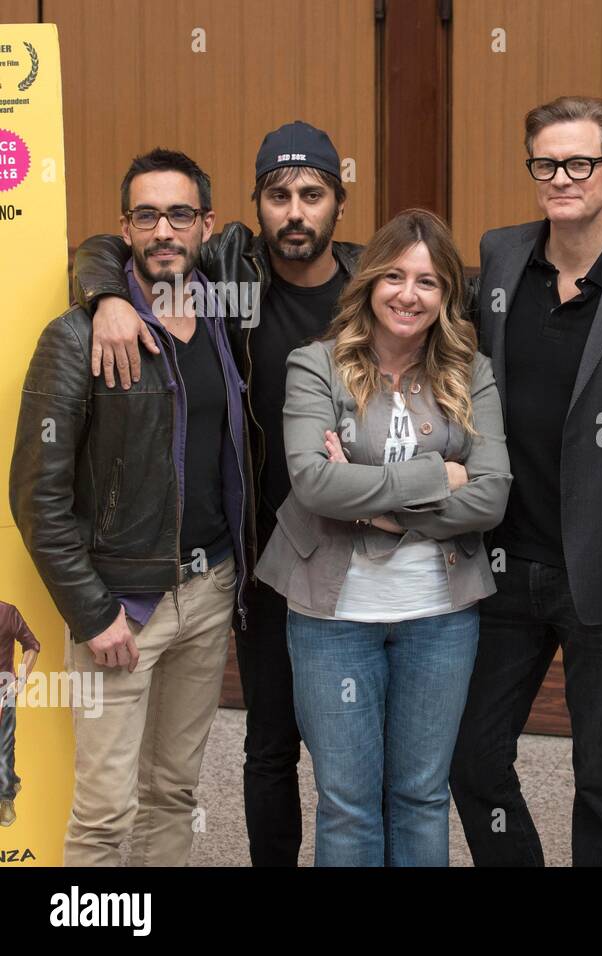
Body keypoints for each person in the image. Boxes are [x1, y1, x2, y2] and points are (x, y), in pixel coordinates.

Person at [72, 120, 361, 866]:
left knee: (355, 760)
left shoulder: (374, 287)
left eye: (311, 194)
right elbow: (123, 244)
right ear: (253, 208)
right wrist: (105, 293)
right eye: (277, 195)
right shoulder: (232, 277)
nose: (294, 212)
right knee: (267, 750)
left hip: (362, 557)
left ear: (339, 200)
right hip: (261, 561)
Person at [450, 95, 602, 867]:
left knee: (601, 774)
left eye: (580, 163)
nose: (562, 177)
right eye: (546, 163)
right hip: (502, 562)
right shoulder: (498, 256)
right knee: (473, 758)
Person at [10, 148, 251, 865]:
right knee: (104, 816)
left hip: (209, 592)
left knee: (173, 794)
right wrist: (92, 611)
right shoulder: (79, 336)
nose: (163, 231)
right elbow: (36, 498)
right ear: (125, 228)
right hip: (123, 608)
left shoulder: (221, 315)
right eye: (146, 215)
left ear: (206, 224)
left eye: (180, 214)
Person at [255, 208, 510, 867]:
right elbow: (313, 484)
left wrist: (373, 506)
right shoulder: (316, 365)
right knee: (346, 801)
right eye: (393, 275)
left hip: (440, 616)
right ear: (368, 283)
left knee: (422, 795)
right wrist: (436, 477)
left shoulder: (469, 372)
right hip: (333, 617)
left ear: (447, 295)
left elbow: (491, 494)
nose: (408, 294)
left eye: (428, 282)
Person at [0, 601, 40, 827]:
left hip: (3, 692)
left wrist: (21, 680)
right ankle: (10, 780)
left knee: (3, 748)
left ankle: (5, 800)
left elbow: (32, 644)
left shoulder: (7, 613)